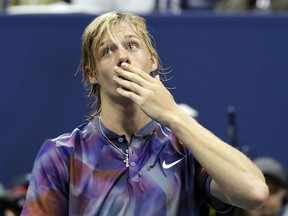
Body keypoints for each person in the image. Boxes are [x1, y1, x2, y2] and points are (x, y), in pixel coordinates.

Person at [21, 11, 268, 215]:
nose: (122, 58)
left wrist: (174, 116)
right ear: (91, 74)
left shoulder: (186, 148)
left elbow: (255, 193)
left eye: (132, 45)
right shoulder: (62, 155)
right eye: (107, 51)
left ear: (152, 60)